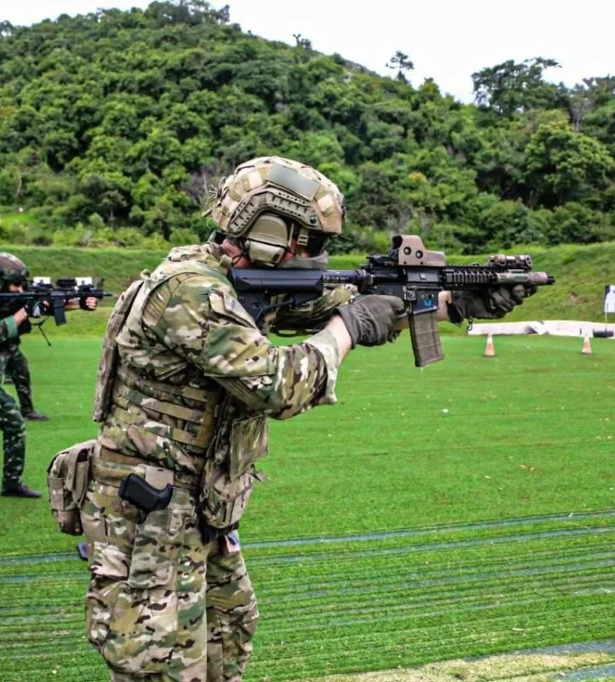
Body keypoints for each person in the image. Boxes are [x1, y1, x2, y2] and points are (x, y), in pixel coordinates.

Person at [74, 156, 533, 681]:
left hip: (199, 506)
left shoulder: (238, 283)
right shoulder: (190, 290)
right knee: (162, 665)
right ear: (269, 231)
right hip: (153, 511)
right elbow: (277, 383)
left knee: (227, 639)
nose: (319, 256)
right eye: (311, 242)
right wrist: (349, 329)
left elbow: (347, 301)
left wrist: (452, 301)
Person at [0, 253, 96, 497]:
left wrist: (77, 304)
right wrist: (26, 310)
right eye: (14, 285)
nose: (18, 289)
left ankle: (12, 483)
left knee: (14, 422)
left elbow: (42, 308)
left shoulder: (5, 299)